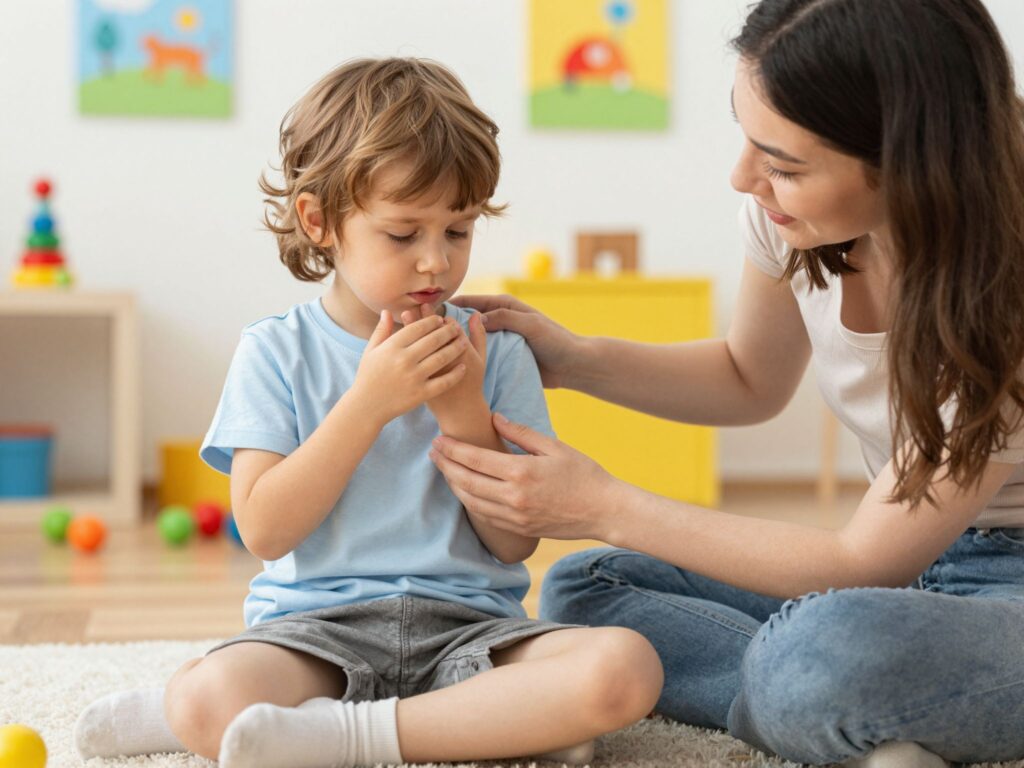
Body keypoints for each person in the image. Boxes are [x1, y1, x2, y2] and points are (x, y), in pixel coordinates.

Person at [429, 1, 1024, 766]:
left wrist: (604, 503)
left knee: (823, 652)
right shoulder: (794, 221)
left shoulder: (1001, 294)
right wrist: (573, 358)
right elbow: (749, 378)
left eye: (784, 165)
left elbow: (864, 566)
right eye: (749, 139)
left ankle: (824, 701)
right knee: (586, 587)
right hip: (913, 580)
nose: (745, 178)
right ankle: (852, 717)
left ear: (907, 164)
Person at [72, 57, 663, 767]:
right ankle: (192, 710)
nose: (435, 264)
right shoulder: (275, 351)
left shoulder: (496, 353)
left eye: (458, 231)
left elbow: (512, 548)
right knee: (209, 702)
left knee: (625, 669)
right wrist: (368, 404)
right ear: (319, 221)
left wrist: (462, 414)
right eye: (403, 234)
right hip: (315, 634)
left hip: (470, 631)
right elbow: (264, 528)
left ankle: (350, 735)